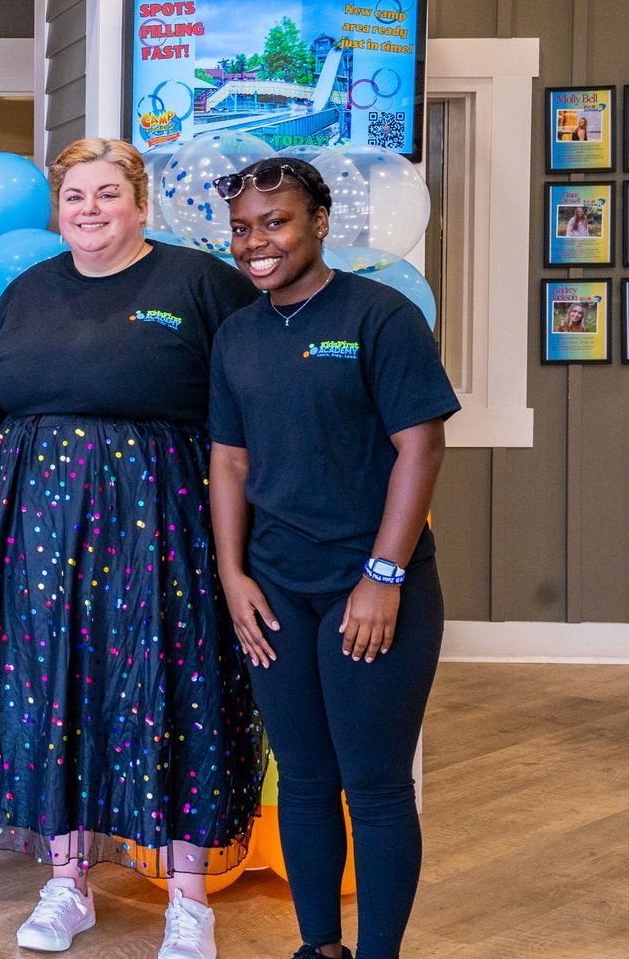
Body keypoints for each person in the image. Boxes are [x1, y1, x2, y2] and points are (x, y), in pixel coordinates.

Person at [0, 138, 264, 959]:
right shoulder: (24, 292)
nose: (90, 209)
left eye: (108, 194)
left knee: (172, 687)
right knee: (57, 693)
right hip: (37, 531)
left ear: (141, 202)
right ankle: (66, 883)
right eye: (76, 196)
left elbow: (256, 399)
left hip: (166, 526)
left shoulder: (201, 286)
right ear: (57, 209)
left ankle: (188, 904)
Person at [208, 157, 455, 959]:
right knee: (306, 783)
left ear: (319, 221)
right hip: (279, 590)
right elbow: (231, 463)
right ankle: (320, 947)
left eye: (275, 222)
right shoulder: (238, 333)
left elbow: (420, 446)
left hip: (375, 586)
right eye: (243, 228)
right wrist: (233, 574)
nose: (257, 243)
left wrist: (382, 577)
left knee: (375, 786)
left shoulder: (379, 316)